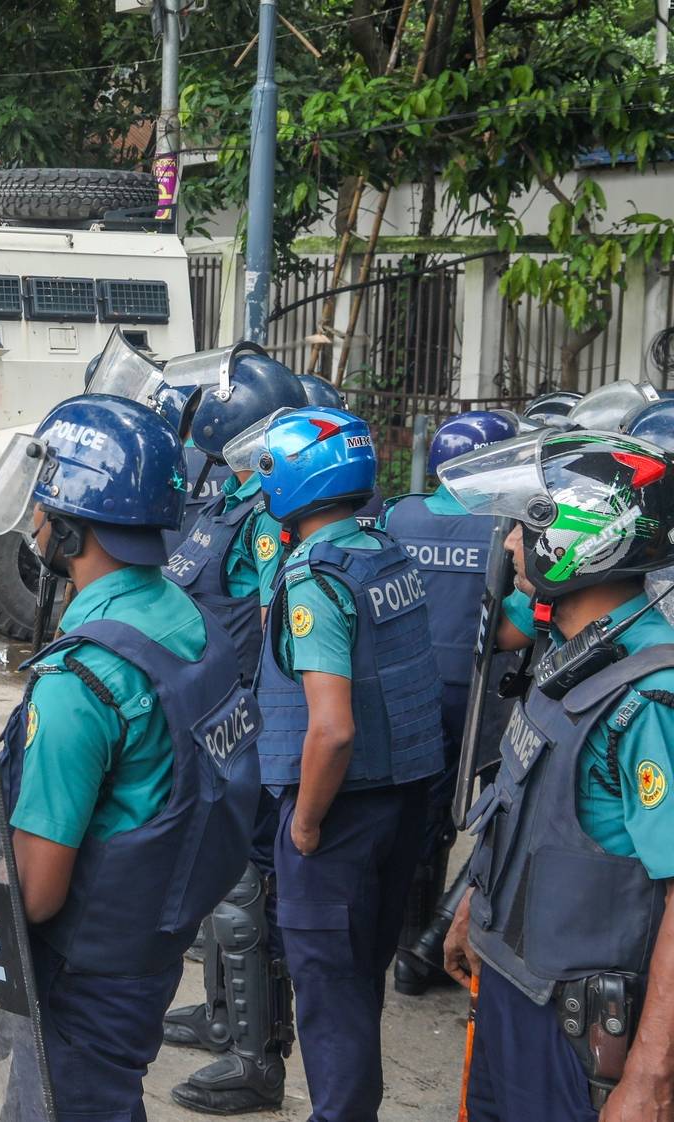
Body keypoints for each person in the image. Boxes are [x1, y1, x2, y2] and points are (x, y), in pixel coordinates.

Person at [0, 393, 260, 1122]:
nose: (34, 520)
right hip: (157, 933)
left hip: (88, 963)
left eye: (44, 505)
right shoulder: (188, 617)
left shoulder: (80, 683)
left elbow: (36, 893)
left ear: (69, 528)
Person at [437, 428, 674, 1122]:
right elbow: (526, 801)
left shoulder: (649, 699)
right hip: (515, 987)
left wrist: (651, 1080)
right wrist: (475, 913)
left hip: (579, 1032)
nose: (511, 544)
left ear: (581, 536)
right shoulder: (572, 653)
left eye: (523, 525)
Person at [242, 405, 444, 1122]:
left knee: (329, 995)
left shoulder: (316, 579)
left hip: (339, 815)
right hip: (402, 804)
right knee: (359, 980)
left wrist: (303, 822)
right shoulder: (384, 552)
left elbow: (331, 730)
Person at [155, 355, 307, 1114]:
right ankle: (221, 1017)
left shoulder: (269, 516)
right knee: (216, 879)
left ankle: (256, 1059)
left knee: (245, 893)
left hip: (244, 721)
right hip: (208, 712)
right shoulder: (227, 499)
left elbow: (280, 632)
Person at [376, 409, 520, 996]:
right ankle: (439, 941)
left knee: (419, 809)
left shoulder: (398, 515)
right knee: (494, 817)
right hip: (487, 697)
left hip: (409, 692)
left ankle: (406, 937)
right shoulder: (510, 529)